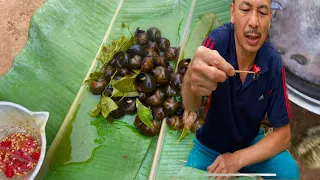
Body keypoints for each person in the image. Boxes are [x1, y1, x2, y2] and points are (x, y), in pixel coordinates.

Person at [181, 0, 300, 179]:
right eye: (245, 9)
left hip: (249, 144)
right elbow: (191, 104)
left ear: (270, 18)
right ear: (232, 13)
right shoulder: (217, 44)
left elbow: (283, 135)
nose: (254, 21)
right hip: (210, 148)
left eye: (262, 12)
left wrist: (238, 159)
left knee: (288, 171)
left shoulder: (272, 61)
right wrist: (191, 76)